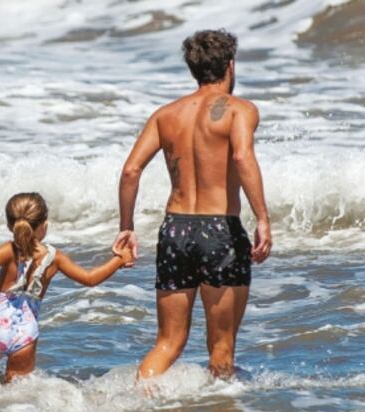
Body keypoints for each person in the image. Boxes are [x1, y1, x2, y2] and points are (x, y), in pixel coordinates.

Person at [112, 30, 272, 379]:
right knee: (221, 346)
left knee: (168, 343)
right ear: (230, 66)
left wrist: (126, 227)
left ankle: (138, 406)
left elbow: (130, 171)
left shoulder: (166, 115)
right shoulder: (240, 110)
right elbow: (243, 158)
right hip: (220, 232)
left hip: (176, 230)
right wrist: (262, 218)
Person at [0, 192, 133, 391]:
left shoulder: (10, 250)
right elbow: (90, 279)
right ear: (44, 225)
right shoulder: (55, 257)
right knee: (16, 391)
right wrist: (119, 259)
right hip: (26, 334)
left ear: (9, 226)